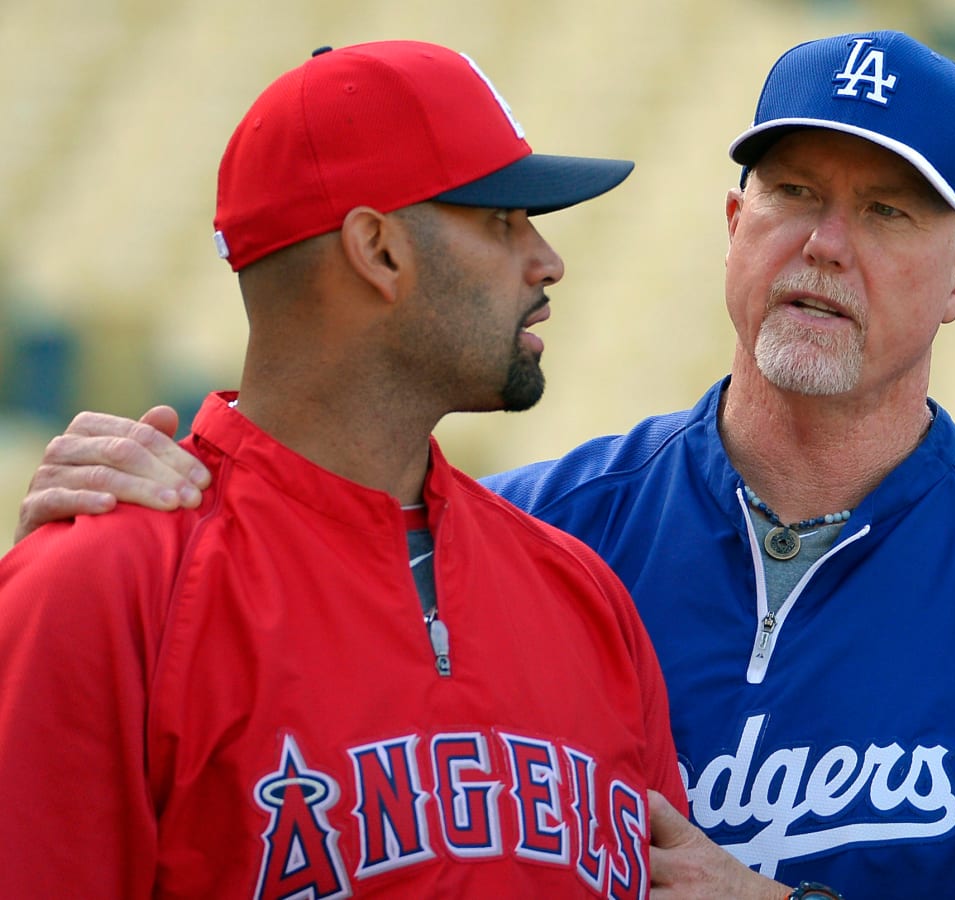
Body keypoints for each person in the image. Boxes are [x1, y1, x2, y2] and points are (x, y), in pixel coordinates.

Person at [13, 30, 955, 898]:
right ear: (734, 229)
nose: (826, 245)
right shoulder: (548, 545)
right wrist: (154, 529)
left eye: (889, 212)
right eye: (792, 191)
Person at [0, 40, 696, 898]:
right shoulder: (104, 588)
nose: (546, 260)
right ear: (379, 250)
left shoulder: (584, 597)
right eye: (504, 219)